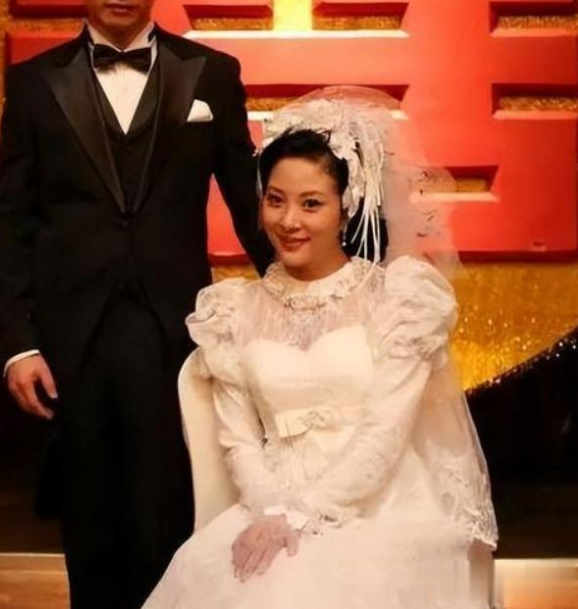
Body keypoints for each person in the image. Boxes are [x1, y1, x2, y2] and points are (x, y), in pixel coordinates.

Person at [0, 0, 272, 607]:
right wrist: (18, 342)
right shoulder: (33, 84)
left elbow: (249, 201)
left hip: (174, 333)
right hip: (71, 338)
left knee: (168, 515)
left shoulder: (211, 75)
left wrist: (317, 298)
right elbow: (12, 217)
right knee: (89, 525)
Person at [143, 87, 498, 608]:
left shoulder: (398, 300)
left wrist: (304, 513)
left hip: (381, 505)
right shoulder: (232, 311)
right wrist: (273, 509)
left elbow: (385, 433)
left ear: (346, 207)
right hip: (269, 501)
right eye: (276, 200)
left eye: (311, 204)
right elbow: (239, 442)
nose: (289, 221)